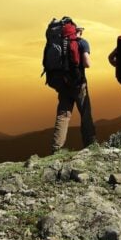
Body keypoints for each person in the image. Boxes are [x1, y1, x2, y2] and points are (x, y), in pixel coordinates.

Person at [51, 25, 96, 153]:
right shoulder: (82, 42)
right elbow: (87, 63)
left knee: (63, 115)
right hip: (78, 84)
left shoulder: (58, 45)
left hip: (63, 85)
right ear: (77, 32)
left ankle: (56, 148)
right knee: (85, 113)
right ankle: (90, 144)